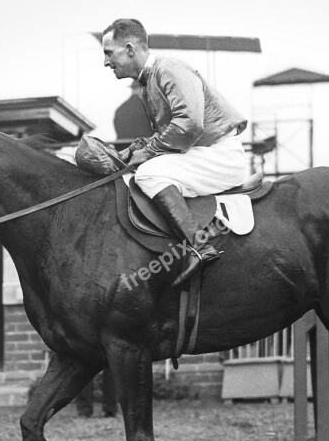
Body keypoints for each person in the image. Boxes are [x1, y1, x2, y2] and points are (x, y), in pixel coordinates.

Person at [101, 18, 248, 287]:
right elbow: (169, 134)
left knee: (147, 173)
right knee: (143, 167)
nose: (106, 63)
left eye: (109, 53)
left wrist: (145, 155)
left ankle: (199, 248)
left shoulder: (170, 69)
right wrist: (134, 149)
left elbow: (189, 125)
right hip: (205, 153)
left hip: (221, 155)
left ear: (130, 49)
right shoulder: (150, 82)